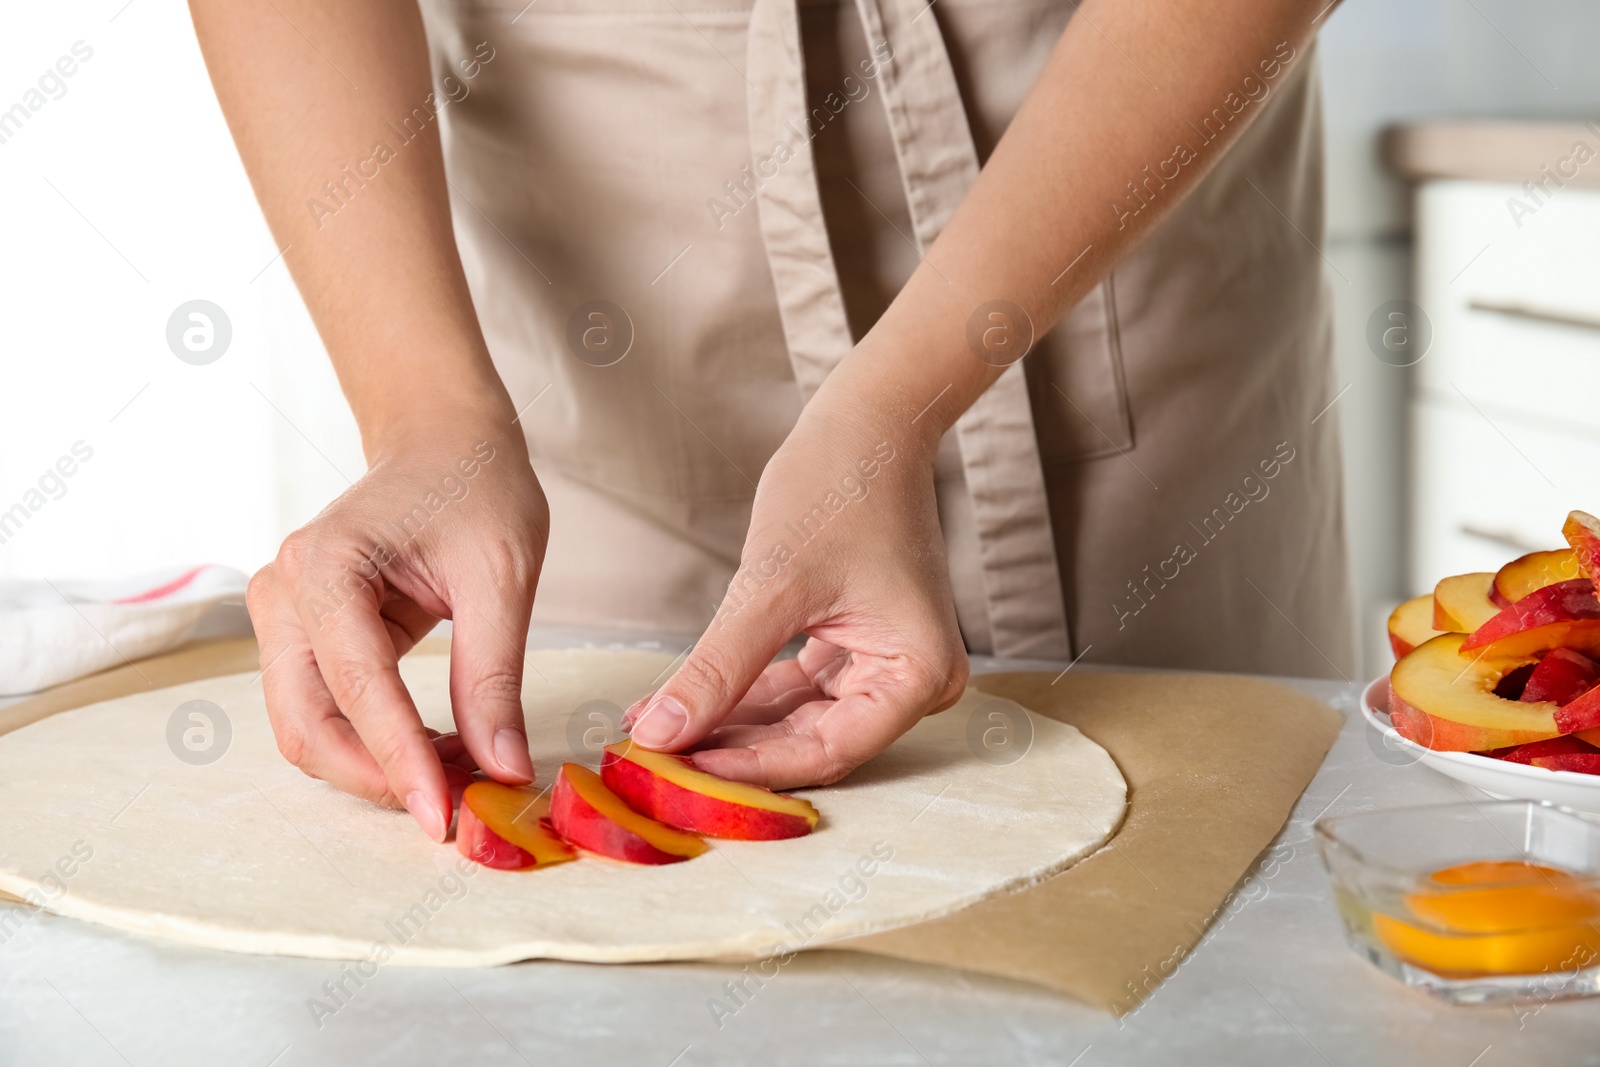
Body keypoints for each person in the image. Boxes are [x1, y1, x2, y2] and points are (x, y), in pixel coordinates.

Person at [190, 0, 1354, 841]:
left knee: (1184, 887)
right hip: (599, 323)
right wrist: (423, 412)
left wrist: (894, 410)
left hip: (1103, 224)